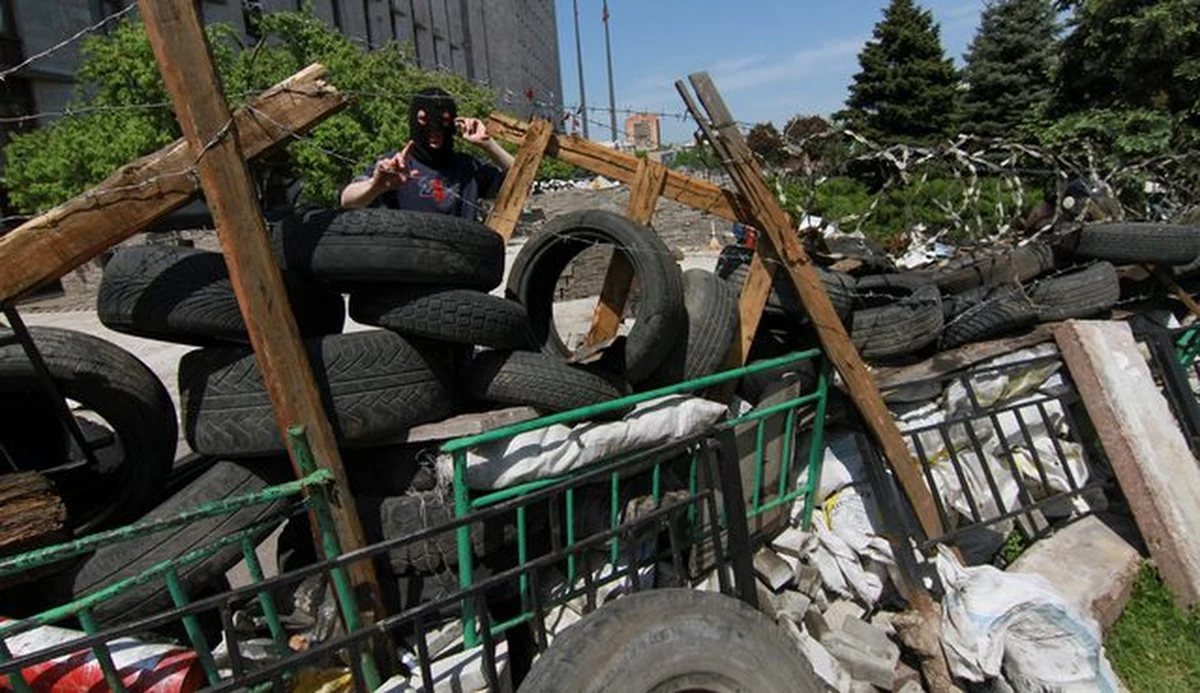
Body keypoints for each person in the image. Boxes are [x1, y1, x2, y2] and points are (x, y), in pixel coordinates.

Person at [339, 87, 514, 218]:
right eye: (424, 119)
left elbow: (521, 182)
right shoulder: (397, 165)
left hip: (461, 261)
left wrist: (488, 144)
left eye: (444, 121)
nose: (434, 129)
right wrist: (374, 186)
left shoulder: (468, 167)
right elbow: (347, 200)